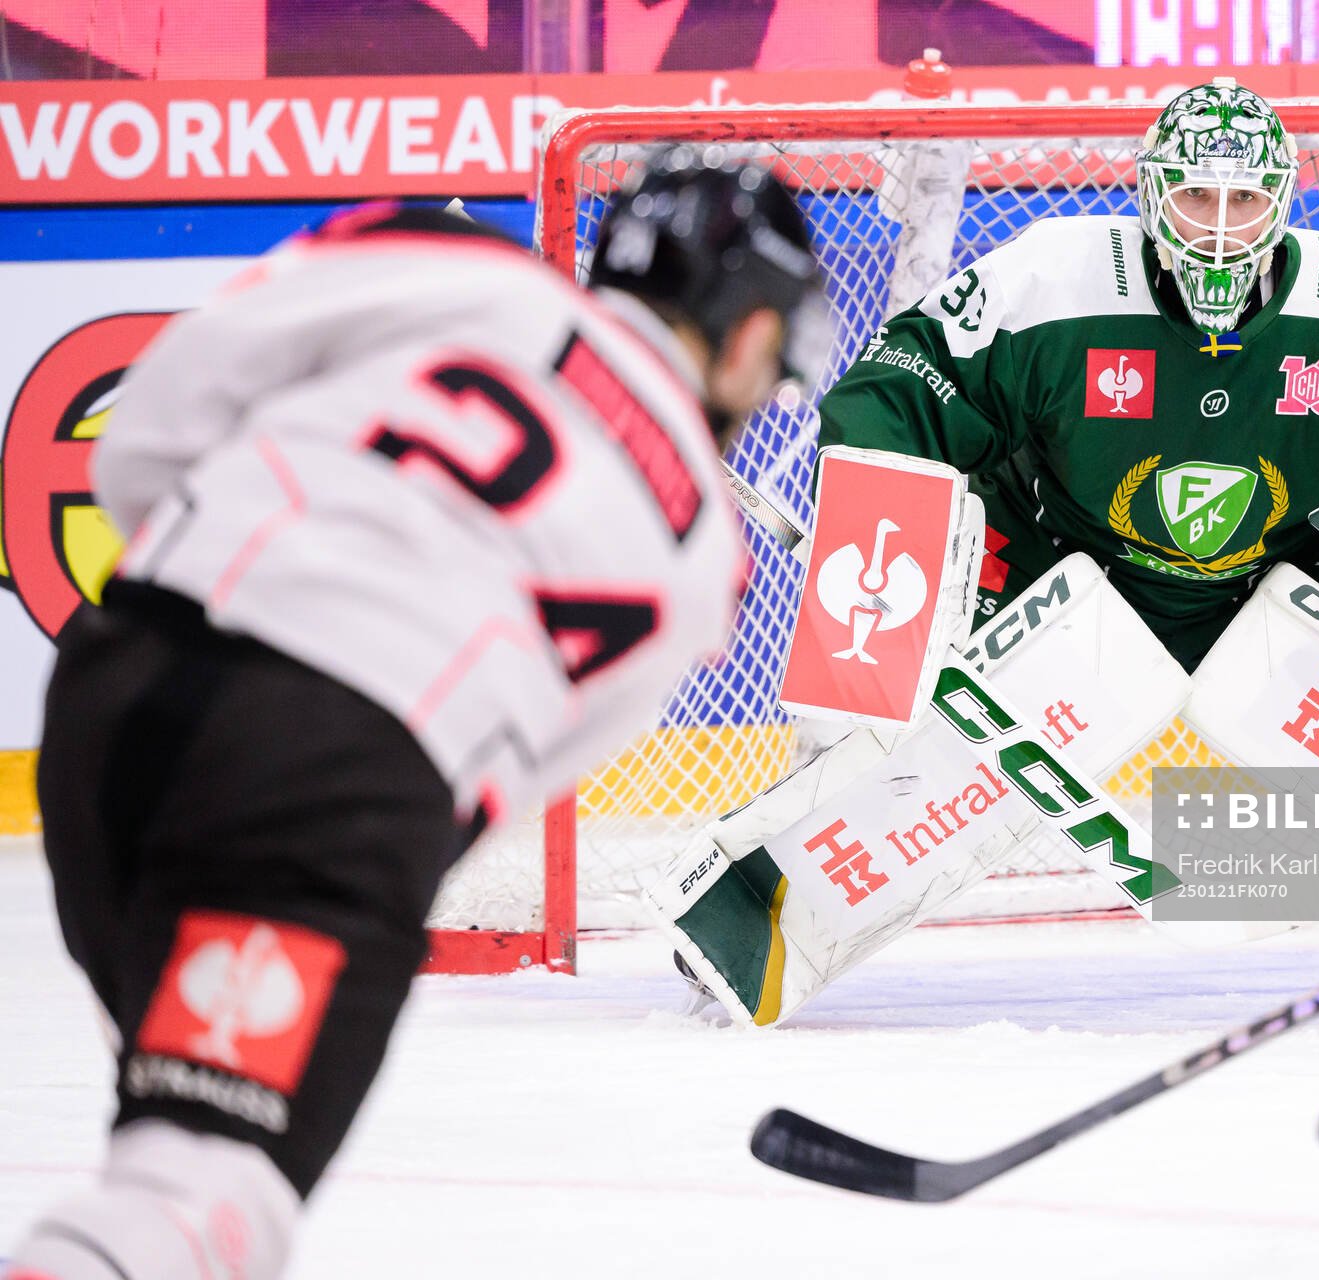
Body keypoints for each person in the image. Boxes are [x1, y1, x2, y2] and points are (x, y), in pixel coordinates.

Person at [6, 156, 826, 1280]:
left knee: (156, 1131)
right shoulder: (700, 558)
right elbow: (498, 775)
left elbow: (151, 425)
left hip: (119, 681)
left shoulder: (465, 267)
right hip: (323, 786)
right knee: (199, 1192)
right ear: (744, 337)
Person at [816, 77, 1319, 672]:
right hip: (1059, 567)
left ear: (1280, 203)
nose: (1220, 231)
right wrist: (870, 522)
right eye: (1196, 194)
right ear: (1152, 192)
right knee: (936, 723)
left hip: (1291, 578)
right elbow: (902, 389)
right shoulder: (1051, 277)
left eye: (1244, 198)